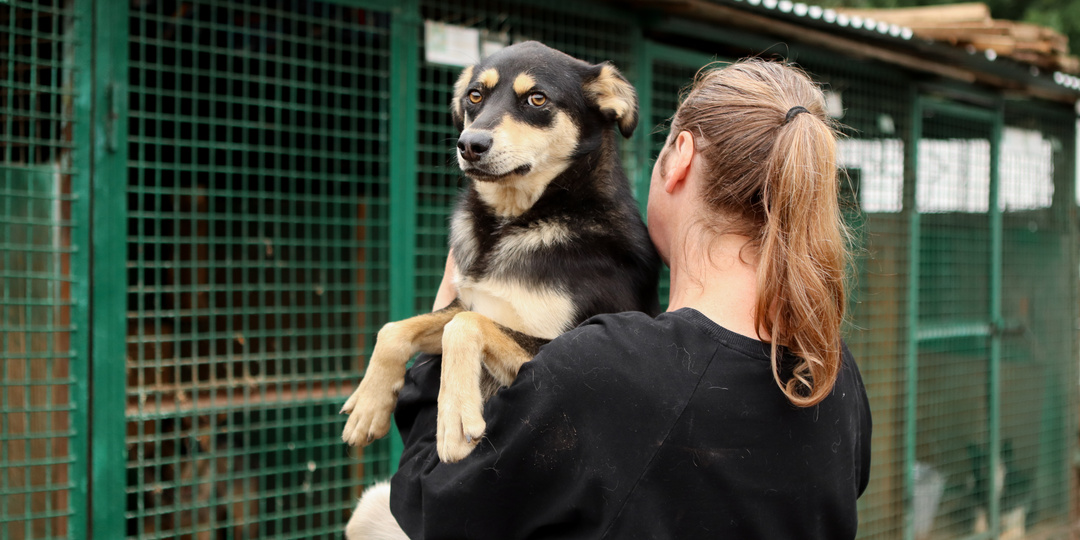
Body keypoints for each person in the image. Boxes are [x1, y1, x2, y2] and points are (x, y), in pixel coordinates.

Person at [388, 59, 871, 539]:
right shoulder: (831, 373)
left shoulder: (600, 368)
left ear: (680, 157)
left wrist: (447, 316)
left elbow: (433, 506)